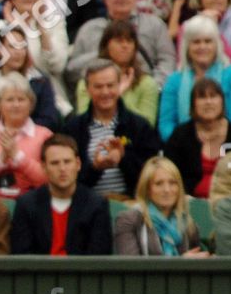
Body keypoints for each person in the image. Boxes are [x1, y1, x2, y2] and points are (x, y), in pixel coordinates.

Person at [63, 58, 161, 198]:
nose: (105, 92)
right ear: (87, 89)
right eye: (98, 86)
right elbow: (67, 179)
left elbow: (151, 175)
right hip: (87, 207)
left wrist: (123, 158)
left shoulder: (139, 126)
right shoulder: (72, 129)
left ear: (119, 85)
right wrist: (95, 168)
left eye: (110, 85)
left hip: (132, 205)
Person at [8, 136, 111, 255]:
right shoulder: (26, 205)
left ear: (78, 164)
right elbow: (21, 256)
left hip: (81, 273)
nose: (62, 169)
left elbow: (99, 257)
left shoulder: (96, 205)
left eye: (67, 162)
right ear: (44, 167)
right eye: (54, 163)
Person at [160, 14, 231, 139]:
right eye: (196, 42)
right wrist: (184, 144)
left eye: (208, 41)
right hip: (183, 147)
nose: (202, 47)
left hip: (225, 145)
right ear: (187, 47)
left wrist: (213, 143)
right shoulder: (174, 80)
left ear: (217, 45)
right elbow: (166, 124)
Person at [113, 156, 208, 256]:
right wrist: (180, 263)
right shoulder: (129, 221)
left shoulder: (188, 224)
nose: (167, 189)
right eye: (159, 184)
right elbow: (130, 267)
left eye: (172, 183)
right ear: (147, 189)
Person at [71, 19, 160, 124]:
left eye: (129, 41)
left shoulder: (147, 83)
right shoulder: (88, 82)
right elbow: (84, 120)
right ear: (106, 45)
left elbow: (147, 125)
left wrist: (117, 97)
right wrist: (116, 94)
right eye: (119, 41)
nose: (125, 45)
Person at [0, 71, 51, 198]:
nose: (16, 105)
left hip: (35, 206)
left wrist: (17, 157)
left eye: (21, 99)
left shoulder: (45, 136)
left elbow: (50, 179)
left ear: (30, 103)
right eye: (10, 100)